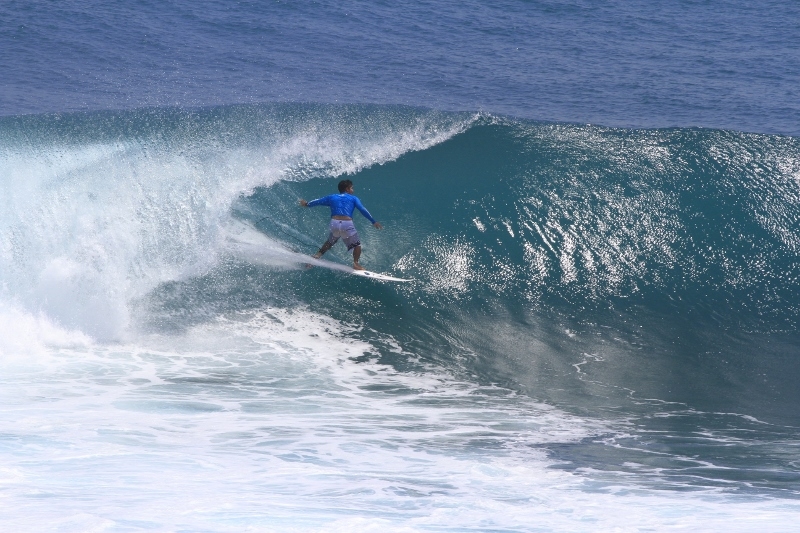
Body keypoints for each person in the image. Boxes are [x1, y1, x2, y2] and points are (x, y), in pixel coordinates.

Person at [299, 179, 383, 270]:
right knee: (357, 246)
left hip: (334, 223)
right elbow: (362, 209)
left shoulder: (332, 197)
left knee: (330, 241)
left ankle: (316, 256)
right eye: (352, 188)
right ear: (347, 189)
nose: (353, 190)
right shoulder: (353, 198)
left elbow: (318, 201)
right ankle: (356, 263)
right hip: (347, 224)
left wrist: (307, 204)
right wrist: (373, 221)